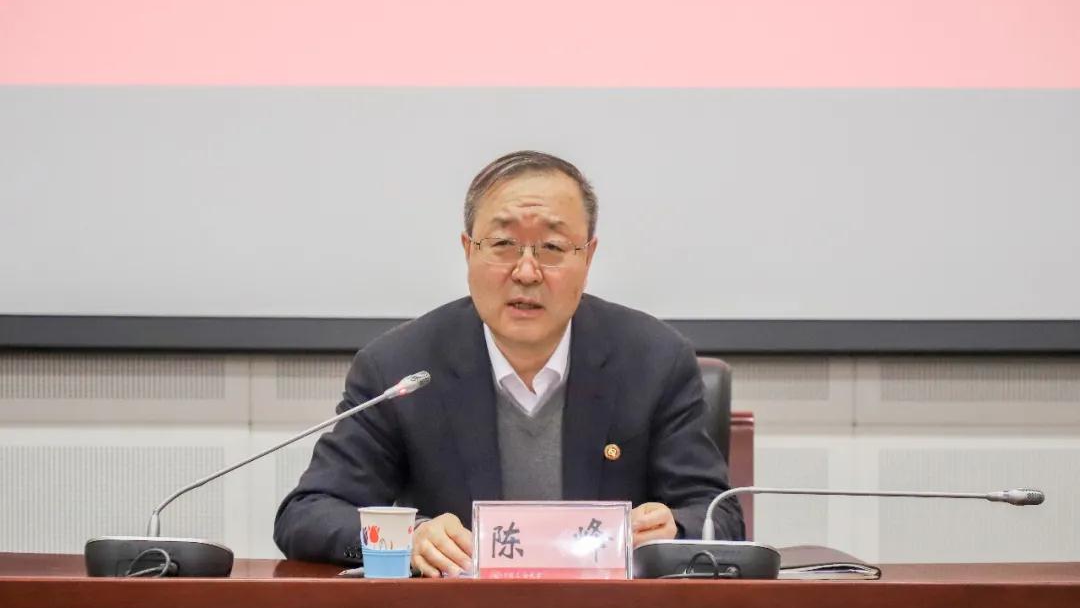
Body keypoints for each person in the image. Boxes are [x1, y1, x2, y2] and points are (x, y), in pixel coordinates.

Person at [274, 151, 743, 575]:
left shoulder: (654, 361)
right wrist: (407, 538)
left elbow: (718, 514)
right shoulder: (402, 367)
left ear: (588, 257)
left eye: (552, 248)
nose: (526, 271)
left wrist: (674, 531)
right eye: (502, 245)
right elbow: (308, 513)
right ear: (468, 250)